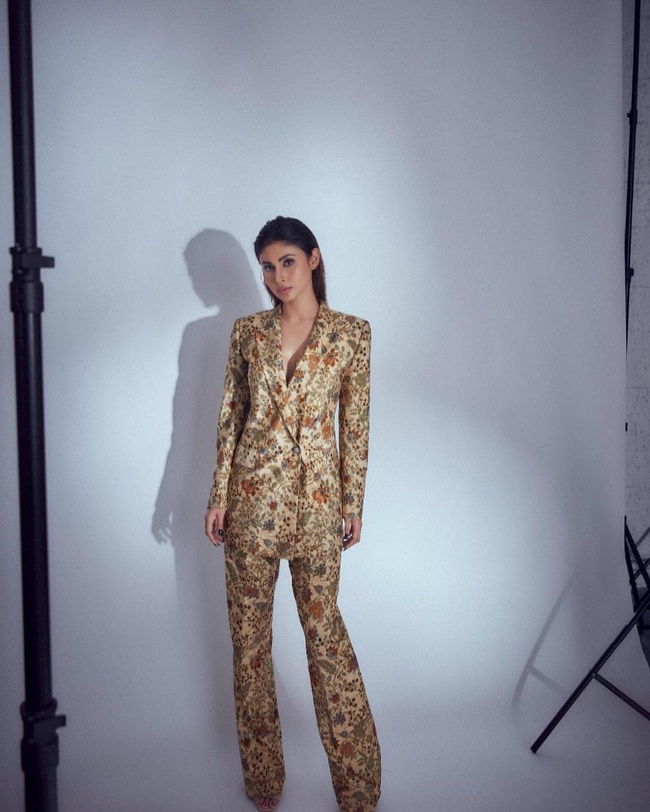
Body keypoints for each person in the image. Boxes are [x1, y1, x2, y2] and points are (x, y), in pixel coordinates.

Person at [205, 216, 381, 812]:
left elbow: (354, 427)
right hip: (250, 506)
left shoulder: (351, 335)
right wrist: (218, 496)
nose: (277, 276)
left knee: (325, 639)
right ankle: (262, 778)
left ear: (313, 258)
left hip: (317, 511)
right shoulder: (247, 333)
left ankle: (359, 786)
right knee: (250, 647)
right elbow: (230, 418)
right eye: (267, 266)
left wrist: (353, 504)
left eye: (287, 261)